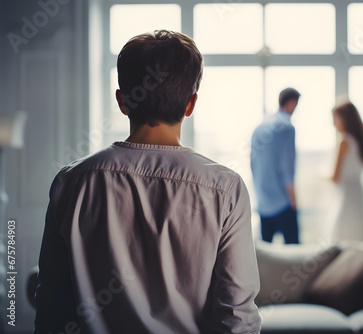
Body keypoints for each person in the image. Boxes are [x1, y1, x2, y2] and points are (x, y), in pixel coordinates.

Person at [34, 30, 261, 334]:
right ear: (191, 105)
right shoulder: (226, 188)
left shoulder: (70, 183)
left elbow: (51, 307)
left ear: (122, 101)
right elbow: (237, 318)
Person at [251, 88, 300, 244]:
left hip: (263, 202)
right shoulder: (287, 128)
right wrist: (293, 200)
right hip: (283, 202)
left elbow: (253, 164)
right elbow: (286, 168)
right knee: (294, 255)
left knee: (265, 257)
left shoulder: (259, 128)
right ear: (291, 103)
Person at [326, 99, 363, 242]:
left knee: (340, 239)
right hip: (359, 196)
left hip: (345, 198)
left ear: (345, 119)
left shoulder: (344, 141)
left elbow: (335, 177)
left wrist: (321, 173)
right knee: (359, 239)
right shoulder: (362, 142)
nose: (334, 124)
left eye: (336, 119)